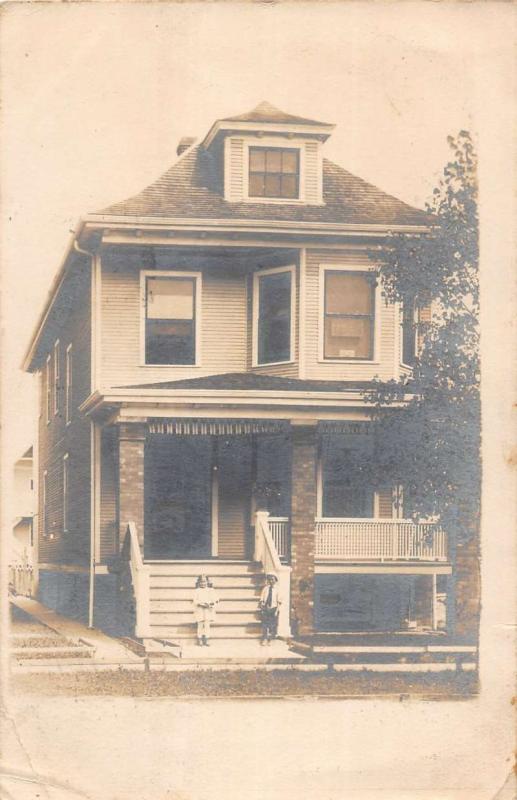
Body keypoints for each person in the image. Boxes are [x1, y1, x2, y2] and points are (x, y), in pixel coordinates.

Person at [193, 575, 219, 646]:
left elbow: (216, 599)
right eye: (201, 582)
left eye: (204, 581)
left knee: (207, 625)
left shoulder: (211, 590)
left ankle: (206, 639)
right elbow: (195, 601)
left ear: (207, 582)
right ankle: (200, 639)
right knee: (200, 625)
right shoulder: (197, 591)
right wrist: (201, 604)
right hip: (200, 610)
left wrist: (211, 604)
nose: (203, 583)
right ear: (198, 583)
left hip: (208, 610)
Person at [259, 573, 281, 645]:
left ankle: (270, 639)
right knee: (265, 624)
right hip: (266, 608)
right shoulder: (265, 589)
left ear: (275, 581)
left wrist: (276, 611)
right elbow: (262, 599)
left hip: (273, 608)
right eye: (270, 580)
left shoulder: (277, 590)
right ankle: (265, 638)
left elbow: (279, 602)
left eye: (273, 580)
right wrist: (262, 607)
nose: (271, 581)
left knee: (272, 624)